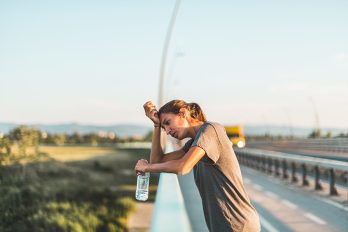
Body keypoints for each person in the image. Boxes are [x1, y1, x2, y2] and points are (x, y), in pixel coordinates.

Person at [134, 100, 260, 232]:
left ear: (183, 113)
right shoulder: (193, 144)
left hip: (237, 224)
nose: (167, 130)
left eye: (167, 122)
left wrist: (147, 168)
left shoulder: (211, 130)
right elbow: (157, 160)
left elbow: (183, 167)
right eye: (163, 127)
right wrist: (156, 125)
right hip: (224, 225)